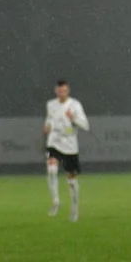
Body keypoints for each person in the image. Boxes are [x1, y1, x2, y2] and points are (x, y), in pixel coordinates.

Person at [43, 79, 90, 222]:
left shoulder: (75, 105)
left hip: (70, 146)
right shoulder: (51, 105)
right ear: (56, 91)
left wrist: (73, 118)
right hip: (54, 142)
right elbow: (49, 120)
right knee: (51, 169)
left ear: (67, 91)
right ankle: (56, 201)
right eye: (58, 91)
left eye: (63, 90)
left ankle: (75, 208)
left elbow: (86, 126)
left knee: (71, 180)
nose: (61, 93)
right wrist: (47, 126)